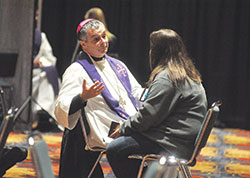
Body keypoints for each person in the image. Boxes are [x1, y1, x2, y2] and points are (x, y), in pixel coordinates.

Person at [106, 29, 208, 178]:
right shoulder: (186, 72)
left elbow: (148, 116)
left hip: (172, 143)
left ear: (157, 51)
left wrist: (124, 128)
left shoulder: (167, 77)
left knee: (114, 149)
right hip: (183, 139)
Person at [54, 19, 144, 178]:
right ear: (84, 45)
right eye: (96, 39)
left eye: (104, 36)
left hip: (126, 122)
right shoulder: (76, 70)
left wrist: (154, 93)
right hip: (105, 129)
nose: (103, 42)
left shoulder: (118, 65)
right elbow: (61, 105)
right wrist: (82, 97)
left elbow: (136, 92)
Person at [32, 9, 60, 131]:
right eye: (35, 15)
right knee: (45, 76)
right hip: (27, 73)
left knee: (48, 74)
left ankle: (44, 113)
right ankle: (42, 111)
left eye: (38, 15)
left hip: (39, 69)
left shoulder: (41, 36)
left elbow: (50, 57)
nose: (36, 18)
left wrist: (40, 61)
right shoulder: (21, 36)